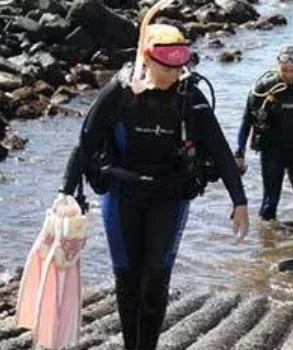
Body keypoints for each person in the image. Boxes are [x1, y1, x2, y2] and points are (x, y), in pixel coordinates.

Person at [59, 24, 249, 349]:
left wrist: (239, 201)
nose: (173, 76)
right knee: (127, 278)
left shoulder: (190, 96)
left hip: (170, 196)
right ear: (146, 59)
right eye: (166, 68)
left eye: (179, 69)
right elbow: (85, 144)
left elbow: (219, 150)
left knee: (156, 280)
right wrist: (65, 194)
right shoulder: (119, 92)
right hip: (123, 195)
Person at [235, 45, 293, 225]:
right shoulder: (263, 88)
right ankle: (266, 237)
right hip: (272, 150)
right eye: (284, 70)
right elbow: (246, 120)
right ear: (277, 65)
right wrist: (239, 152)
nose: (288, 75)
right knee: (270, 202)